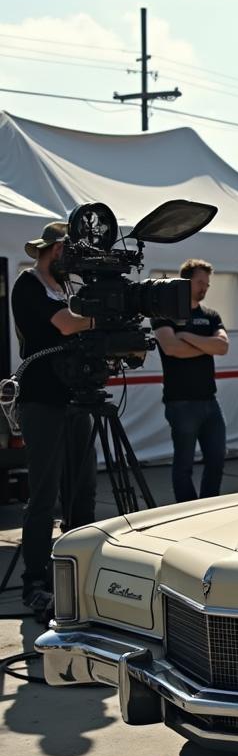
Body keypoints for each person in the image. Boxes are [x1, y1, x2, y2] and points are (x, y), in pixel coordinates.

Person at [10, 221, 96, 614]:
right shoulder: (29, 285)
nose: (72, 257)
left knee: (83, 488)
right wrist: (103, 318)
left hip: (76, 398)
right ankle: (36, 580)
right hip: (42, 400)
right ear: (53, 249)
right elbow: (64, 324)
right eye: (67, 250)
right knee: (44, 493)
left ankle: (78, 571)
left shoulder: (68, 289)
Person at [151, 259, 230, 502]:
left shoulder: (210, 315)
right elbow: (172, 348)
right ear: (186, 282)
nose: (204, 288)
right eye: (199, 283)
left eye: (207, 284)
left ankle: (208, 504)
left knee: (217, 458)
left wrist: (187, 336)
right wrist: (206, 345)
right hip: (181, 402)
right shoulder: (165, 313)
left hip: (209, 400)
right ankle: (186, 509)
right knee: (184, 463)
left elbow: (223, 346)